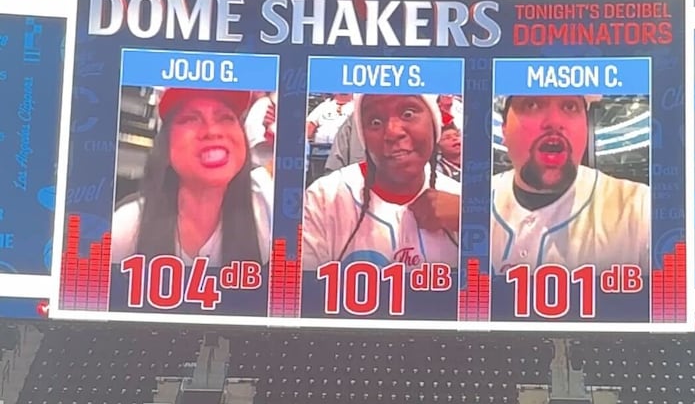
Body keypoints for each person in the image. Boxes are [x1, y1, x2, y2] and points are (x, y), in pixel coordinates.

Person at [491, 94, 649, 275]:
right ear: (504, 129)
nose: (554, 122)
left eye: (570, 107)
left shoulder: (639, 208)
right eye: (532, 104)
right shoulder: (471, 205)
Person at [111, 88, 272, 267]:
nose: (212, 131)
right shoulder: (126, 227)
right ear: (165, 145)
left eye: (226, 118)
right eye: (190, 119)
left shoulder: (269, 212)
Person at [302, 92, 460, 270]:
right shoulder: (324, 198)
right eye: (375, 122)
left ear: (434, 122)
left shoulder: (461, 201)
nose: (392, 132)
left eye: (408, 114)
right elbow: (299, 286)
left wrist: (470, 222)